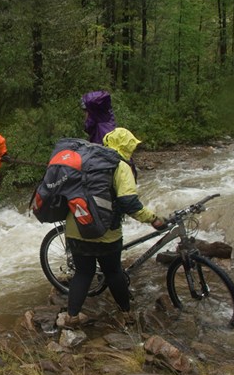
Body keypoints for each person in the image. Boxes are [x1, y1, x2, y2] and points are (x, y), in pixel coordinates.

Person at [56, 127, 166, 329]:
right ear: (127, 146)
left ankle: (71, 317)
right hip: (106, 232)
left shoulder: (84, 160)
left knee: (83, 273)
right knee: (114, 272)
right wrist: (153, 219)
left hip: (76, 227)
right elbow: (129, 203)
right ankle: (127, 315)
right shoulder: (120, 166)